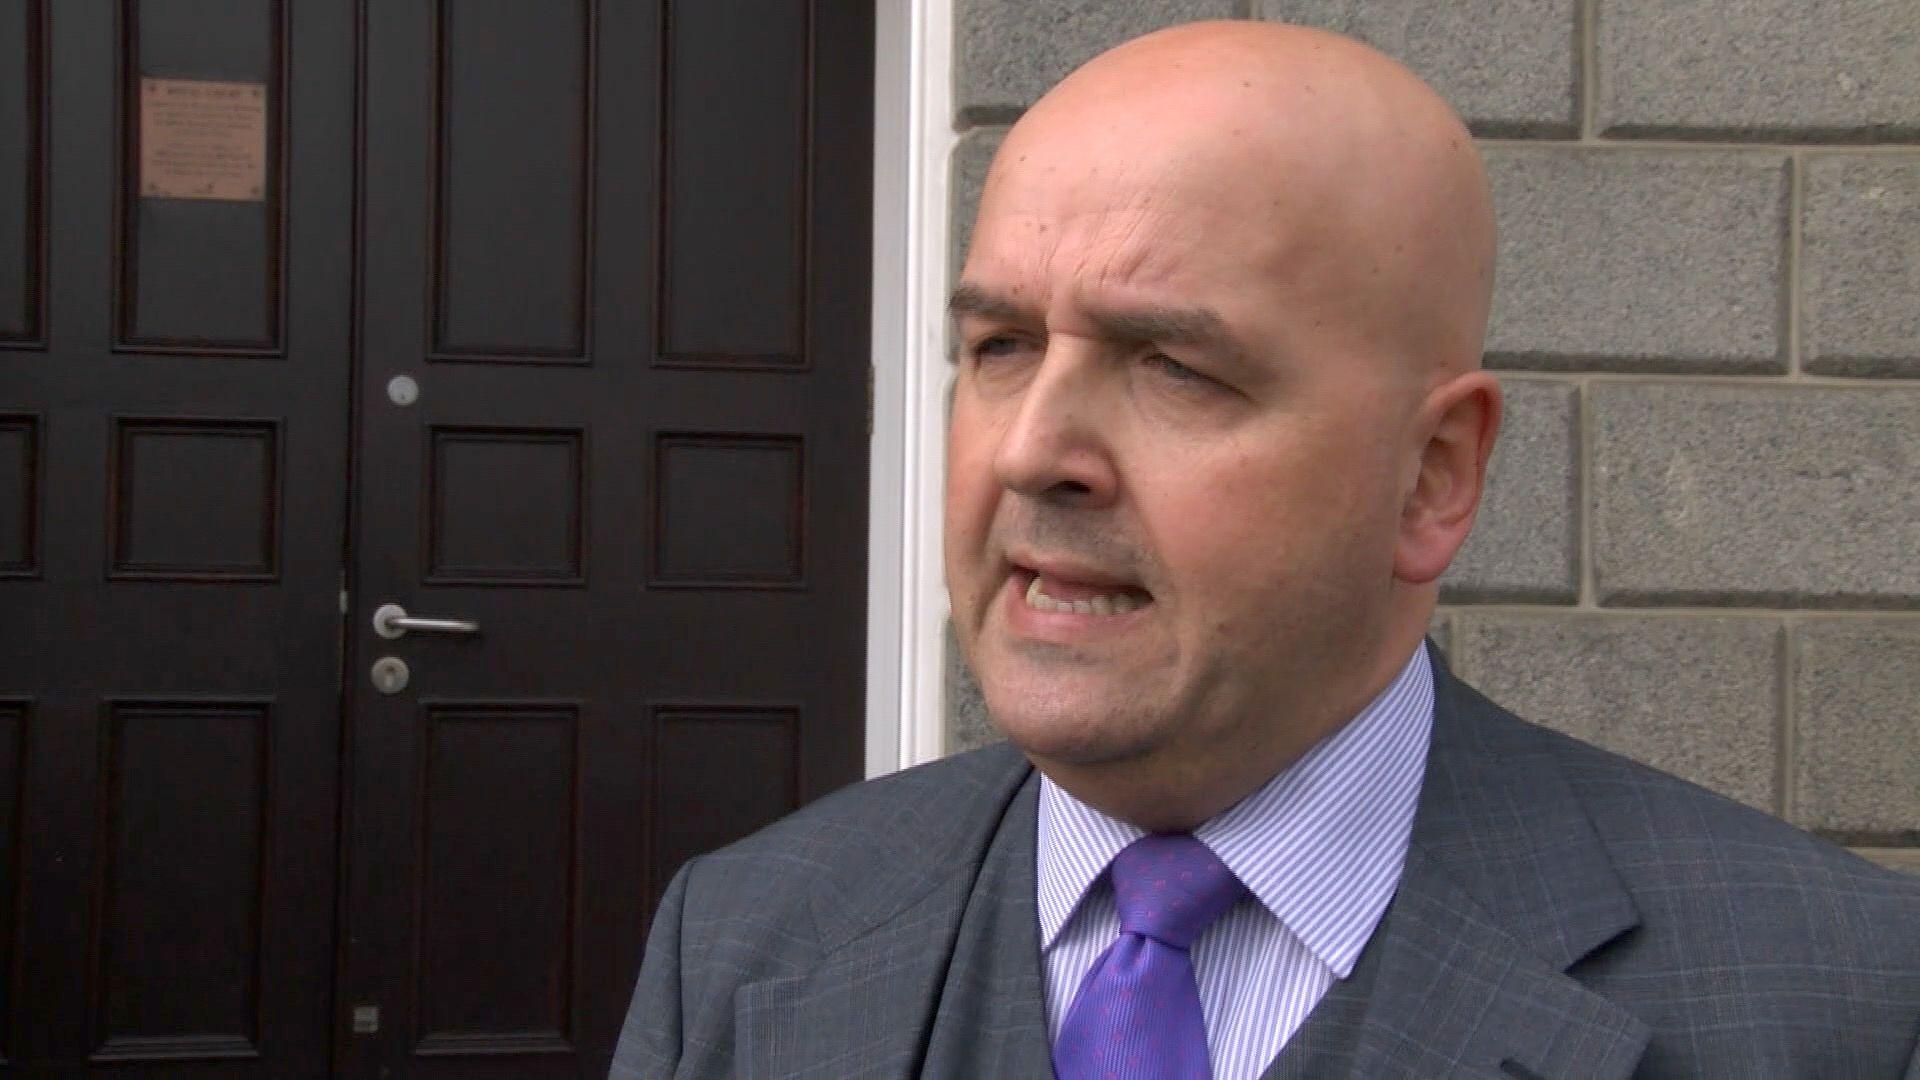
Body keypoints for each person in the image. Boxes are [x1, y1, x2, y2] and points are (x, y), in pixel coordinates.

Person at [612, 20, 1920, 1079]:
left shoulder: (1836, 1004)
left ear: (1432, 476)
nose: (1030, 451)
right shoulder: (741, 947)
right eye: (1001, 347)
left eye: (1173, 366)